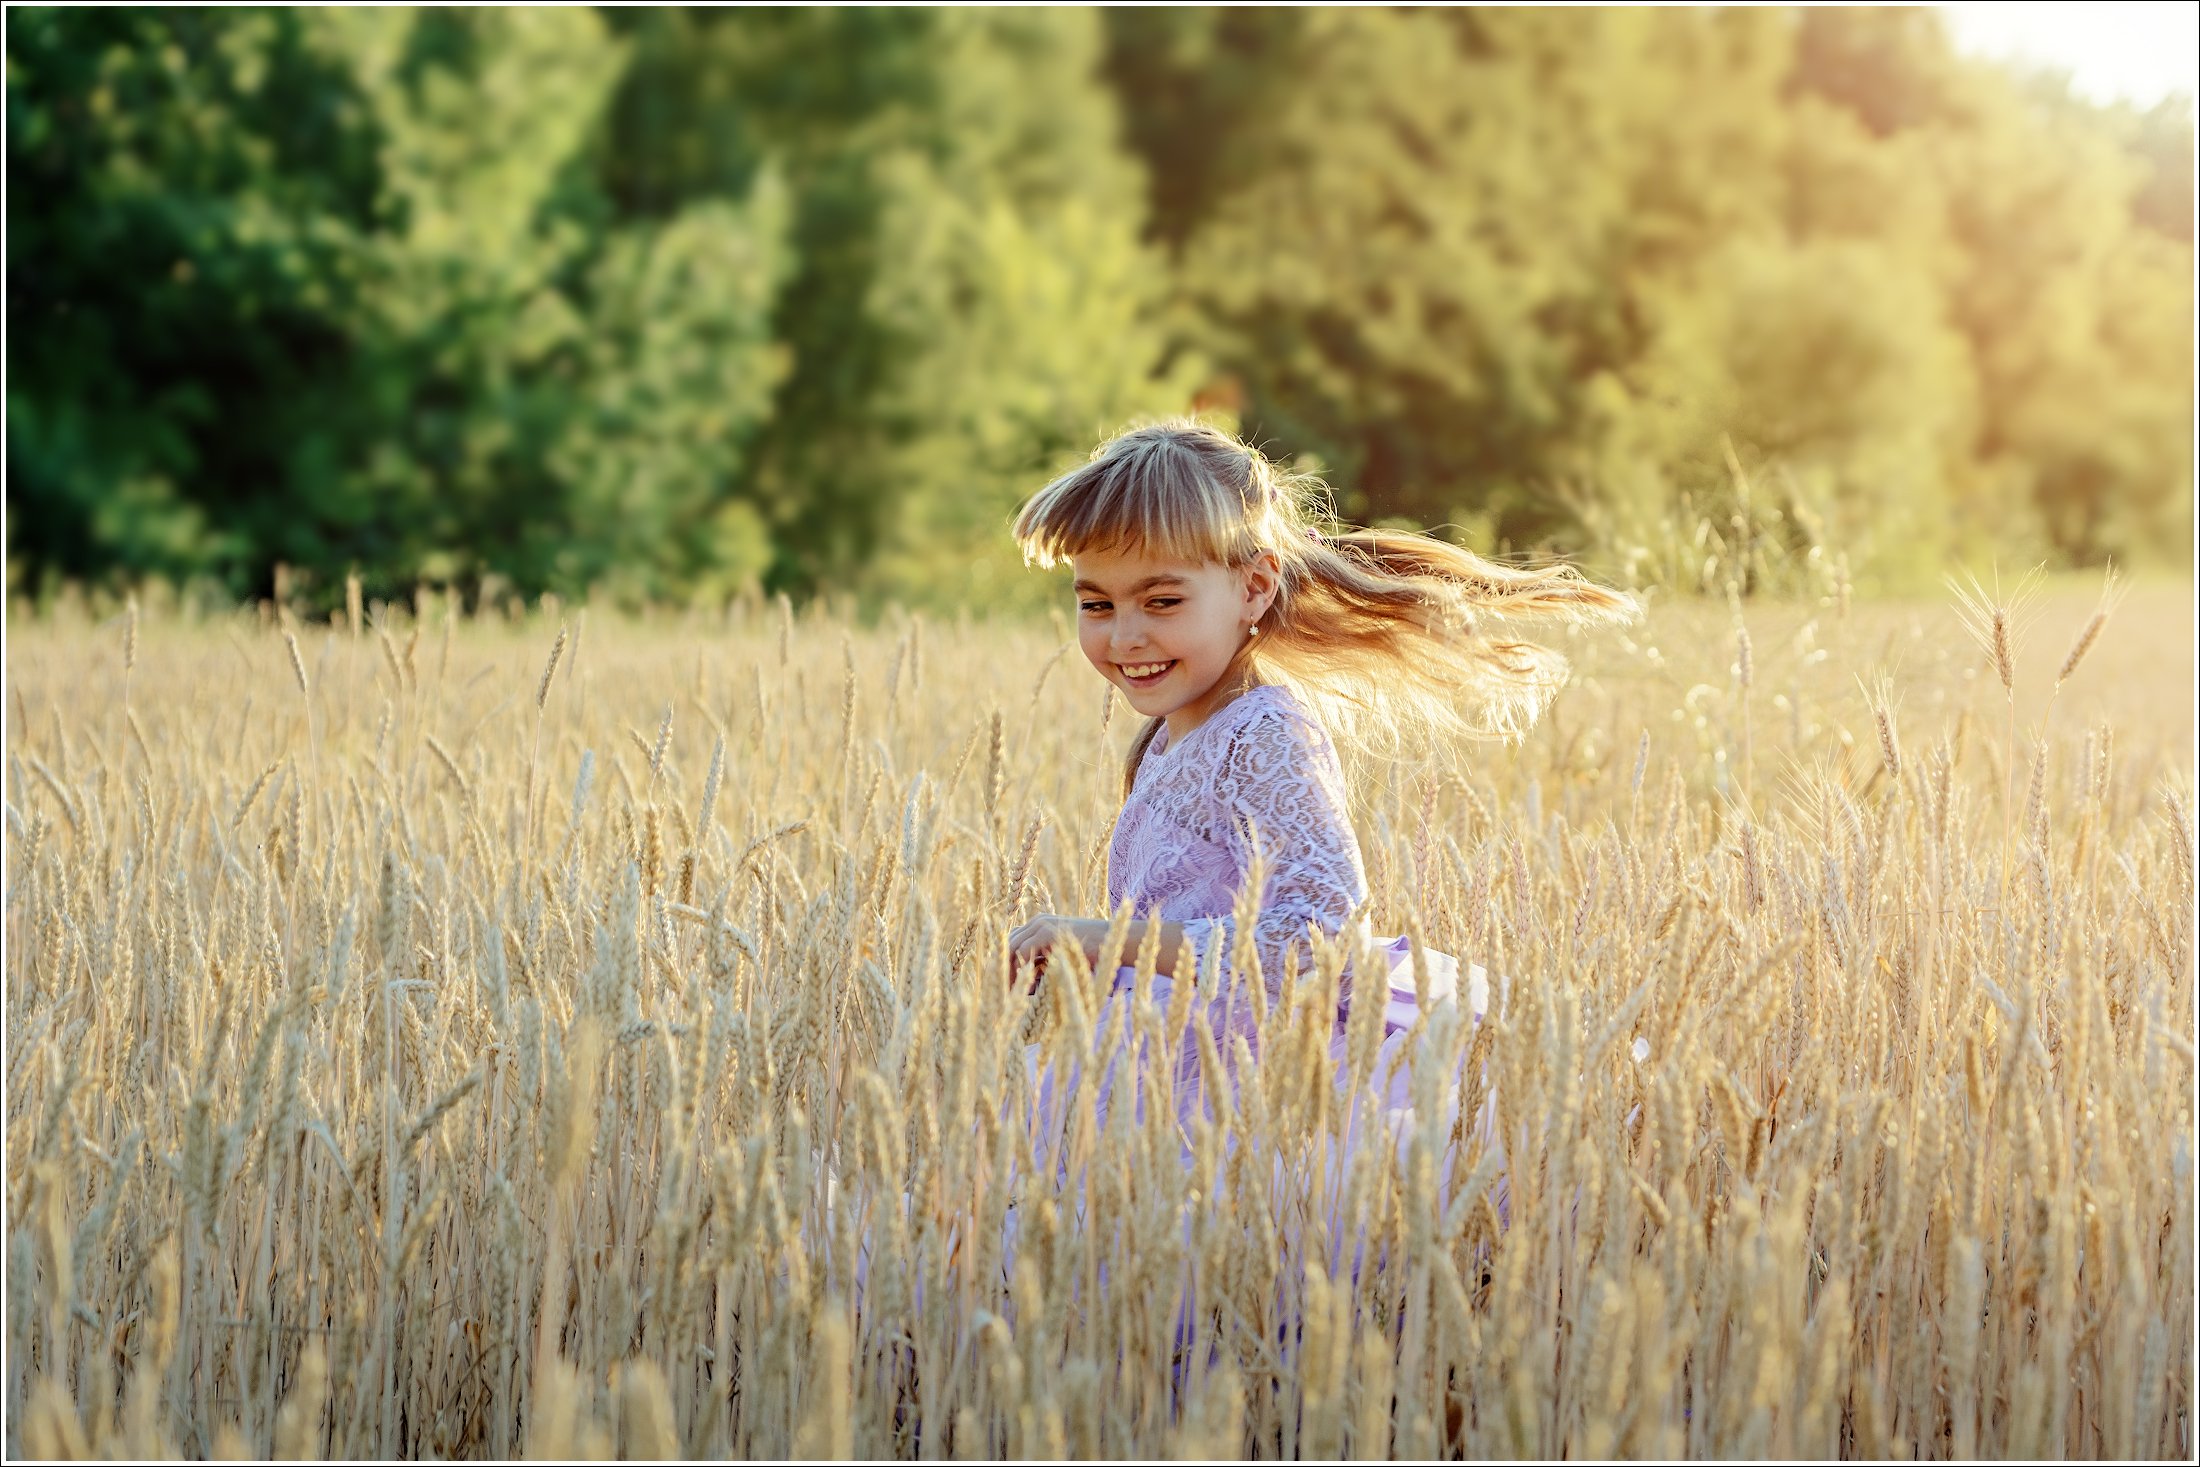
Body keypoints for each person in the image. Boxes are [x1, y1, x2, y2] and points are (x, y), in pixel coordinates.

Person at [998, 417, 1641, 1273]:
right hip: (1171, 1063)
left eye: (1162, 601)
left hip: (1259, 1074)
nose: (1124, 636)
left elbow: (1316, 926)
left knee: (1200, 1268)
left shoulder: (1266, 730)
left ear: (1254, 588)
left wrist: (1111, 940)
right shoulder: (1163, 740)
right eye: (1096, 603)